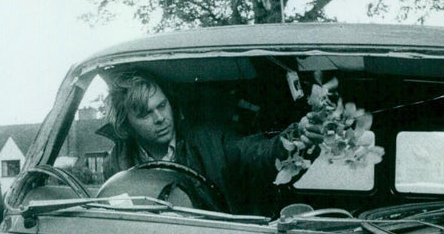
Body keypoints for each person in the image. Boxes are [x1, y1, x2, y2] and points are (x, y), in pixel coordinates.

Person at [100, 70, 322, 214]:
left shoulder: (210, 140)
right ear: (126, 124)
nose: (160, 118)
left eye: (162, 105)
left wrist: (295, 137)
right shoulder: (117, 162)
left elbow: (255, 152)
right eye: (145, 114)